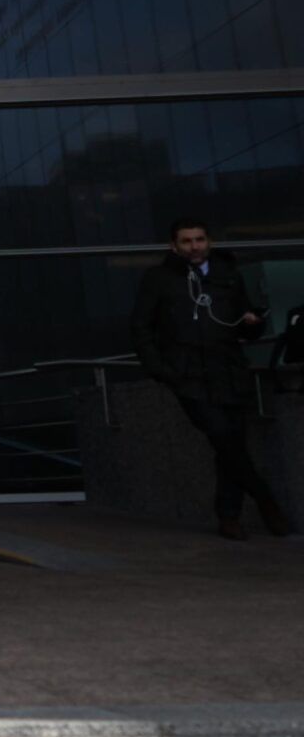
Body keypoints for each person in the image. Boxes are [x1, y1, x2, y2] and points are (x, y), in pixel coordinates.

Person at [130, 218, 291, 540]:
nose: (194, 246)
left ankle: (228, 516)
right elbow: (141, 327)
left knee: (229, 445)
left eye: (199, 239)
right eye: (187, 241)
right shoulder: (159, 279)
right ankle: (266, 499)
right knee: (222, 436)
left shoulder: (226, 276)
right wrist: (161, 370)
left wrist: (252, 322)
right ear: (173, 246)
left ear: (209, 242)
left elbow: (245, 325)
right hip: (188, 375)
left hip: (228, 371)